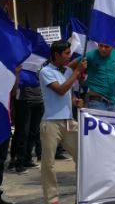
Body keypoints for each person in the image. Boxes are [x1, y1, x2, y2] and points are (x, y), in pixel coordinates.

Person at [40, 40, 86, 204]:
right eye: (66, 53)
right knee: (49, 164)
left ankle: (83, 193)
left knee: (82, 157)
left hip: (69, 121)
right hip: (51, 123)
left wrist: (74, 101)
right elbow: (59, 90)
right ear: (56, 55)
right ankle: (52, 198)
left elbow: (67, 93)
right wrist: (76, 72)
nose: (69, 56)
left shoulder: (67, 70)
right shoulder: (45, 71)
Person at [9, 72, 44, 174]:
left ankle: (27, 159)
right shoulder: (23, 60)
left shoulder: (42, 61)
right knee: (22, 132)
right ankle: (16, 162)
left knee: (33, 132)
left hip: (39, 99)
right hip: (24, 100)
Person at [83, 43, 115, 112]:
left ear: (112, 47)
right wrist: (80, 79)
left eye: (106, 47)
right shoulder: (91, 55)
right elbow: (72, 65)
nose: (103, 49)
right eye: (101, 46)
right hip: (96, 102)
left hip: (112, 103)